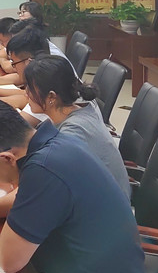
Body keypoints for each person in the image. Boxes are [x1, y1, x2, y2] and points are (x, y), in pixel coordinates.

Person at [0, 97, 146, 273]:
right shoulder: (53, 141)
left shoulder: (42, 171)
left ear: (6, 158)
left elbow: (10, 261)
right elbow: (32, 196)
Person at [22, 55, 131, 198]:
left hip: (103, 205)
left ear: (51, 97)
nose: (26, 93)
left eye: (30, 89)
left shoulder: (73, 132)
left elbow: (46, 185)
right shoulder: (78, 109)